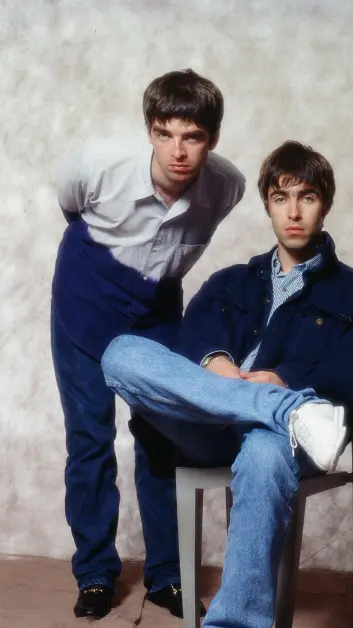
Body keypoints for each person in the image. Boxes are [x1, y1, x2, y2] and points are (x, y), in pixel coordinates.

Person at [101, 140, 353, 628]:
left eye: (307, 197)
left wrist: (284, 379)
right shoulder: (228, 282)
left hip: (293, 440)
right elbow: (183, 351)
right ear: (267, 205)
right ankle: (280, 407)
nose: (294, 211)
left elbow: (346, 380)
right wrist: (216, 361)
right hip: (210, 423)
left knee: (262, 450)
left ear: (326, 204)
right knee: (121, 353)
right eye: (281, 198)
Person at [51, 69, 246, 619]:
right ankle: (94, 573)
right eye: (165, 133)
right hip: (87, 296)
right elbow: (71, 209)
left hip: (157, 307)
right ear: (149, 130)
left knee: (163, 439)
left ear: (213, 137)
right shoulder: (98, 165)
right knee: (90, 439)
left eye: (194, 137)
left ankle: (168, 576)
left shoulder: (226, 186)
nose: (178, 151)